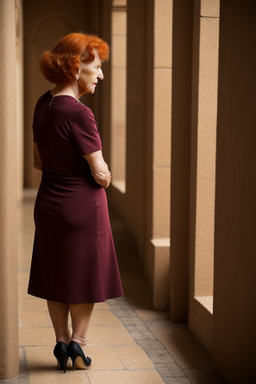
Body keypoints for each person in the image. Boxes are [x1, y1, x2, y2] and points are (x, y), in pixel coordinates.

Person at [27, 33, 124, 373]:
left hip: (49, 201)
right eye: (96, 67)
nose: (100, 75)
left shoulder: (43, 103)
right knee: (83, 274)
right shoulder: (81, 114)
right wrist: (108, 173)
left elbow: (38, 162)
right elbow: (100, 174)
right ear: (74, 67)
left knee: (55, 270)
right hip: (83, 206)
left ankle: (59, 339)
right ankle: (79, 343)